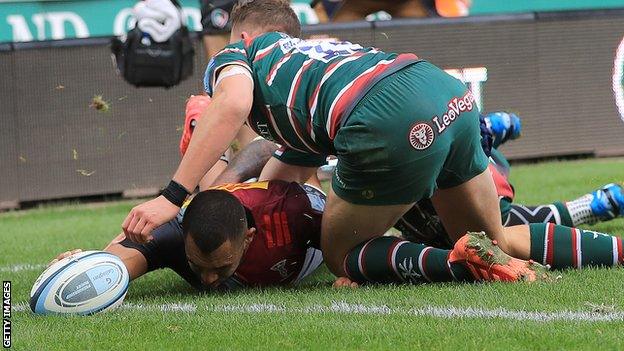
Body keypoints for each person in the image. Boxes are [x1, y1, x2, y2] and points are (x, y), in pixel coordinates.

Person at [122, 0, 617, 286]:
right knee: (495, 238)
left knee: (344, 255)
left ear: (246, 33)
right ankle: (616, 252)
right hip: (444, 92)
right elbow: (278, 181)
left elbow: (229, 107)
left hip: (382, 115)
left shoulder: (241, 53)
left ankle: (450, 263)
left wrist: (171, 197)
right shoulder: (304, 77)